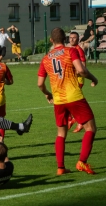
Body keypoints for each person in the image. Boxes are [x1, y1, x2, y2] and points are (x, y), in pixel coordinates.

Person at [37, 27, 98, 175]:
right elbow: (81, 70)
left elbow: (40, 83)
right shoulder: (70, 51)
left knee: (61, 134)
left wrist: (47, 94)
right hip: (74, 96)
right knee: (90, 128)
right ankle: (82, 162)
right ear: (65, 39)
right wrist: (93, 78)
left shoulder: (46, 58)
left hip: (58, 100)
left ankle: (60, 168)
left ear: (51, 40)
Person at [68, 31, 87, 133]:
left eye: (74, 38)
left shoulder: (79, 50)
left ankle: (79, 122)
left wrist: (79, 72)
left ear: (78, 39)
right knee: (70, 100)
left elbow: (83, 63)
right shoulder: (71, 49)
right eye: (70, 37)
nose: (71, 39)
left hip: (78, 78)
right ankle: (71, 119)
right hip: (71, 79)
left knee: (75, 101)